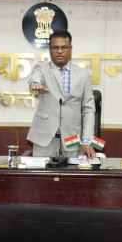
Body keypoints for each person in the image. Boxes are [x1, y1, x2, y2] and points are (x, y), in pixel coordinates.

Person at [27, 30, 96, 158]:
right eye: (55, 48)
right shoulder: (42, 68)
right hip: (45, 139)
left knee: (71, 171)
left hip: (72, 139)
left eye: (64, 47)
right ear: (49, 49)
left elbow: (88, 109)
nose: (60, 51)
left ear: (70, 49)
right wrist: (36, 83)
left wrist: (86, 140)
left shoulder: (83, 74)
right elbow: (36, 76)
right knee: (40, 171)